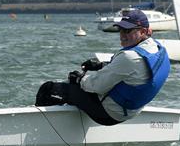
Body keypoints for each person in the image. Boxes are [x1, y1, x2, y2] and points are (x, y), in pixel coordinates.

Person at [35, 9, 170, 125]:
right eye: (120, 29)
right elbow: (133, 71)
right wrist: (101, 65)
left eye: (128, 30)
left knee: (49, 89)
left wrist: (79, 79)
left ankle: (42, 128)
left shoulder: (129, 57)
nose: (122, 34)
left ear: (143, 31)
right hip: (132, 111)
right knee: (75, 89)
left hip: (109, 114)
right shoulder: (158, 50)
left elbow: (96, 86)